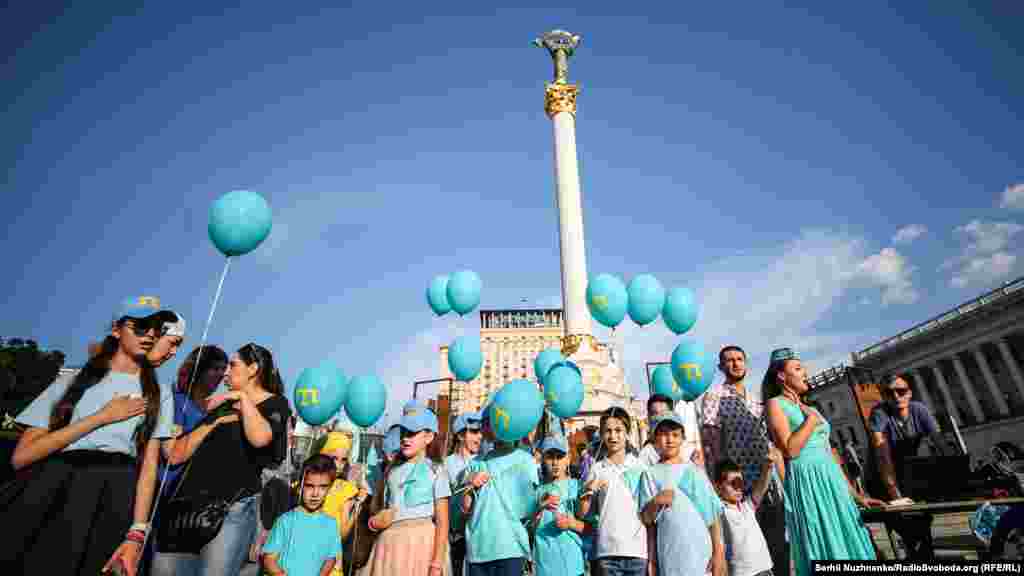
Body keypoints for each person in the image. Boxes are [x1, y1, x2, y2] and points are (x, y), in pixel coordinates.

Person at [3, 297, 178, 575]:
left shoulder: (160, 392)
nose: (149, 335)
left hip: (115, 496)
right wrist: (101, 417)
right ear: (116, 329)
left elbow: (148, 467)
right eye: (140, 326)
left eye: (157, 329)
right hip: (55, 489)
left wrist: (136, 533)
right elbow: (22, 456)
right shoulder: (70, 382)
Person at [151, 343, 290, 576]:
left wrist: (243, 399)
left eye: (233, 365)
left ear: (253, 369)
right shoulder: (221, 407)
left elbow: (260, 438)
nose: (225, 372)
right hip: (185, 511)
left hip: (229, 512)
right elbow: (176, 455)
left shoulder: (275, 404)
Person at [763, 348, 883, 576]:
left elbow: (830, 455)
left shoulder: (810, 408)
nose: (805, 373)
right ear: (781, 376)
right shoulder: (775, 404)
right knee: (823, 536)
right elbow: (790, 450)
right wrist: (810, 421)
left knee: (846, 532)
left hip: (831, 478)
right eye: (798, 369)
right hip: (807, 479)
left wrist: (856, 496)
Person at [701, 345, 787, 576]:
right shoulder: (714, 396)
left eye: (739, 359)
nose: (735, 363)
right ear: (721, 367)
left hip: (767, 482)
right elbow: (711, 444)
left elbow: (773, 443)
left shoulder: (757, 399)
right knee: (746, 554)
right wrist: (718, 485)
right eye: (729, 360)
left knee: (778, 545)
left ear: (746, 363)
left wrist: (782, 479)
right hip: (738, 488)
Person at [365, 400, 450, 576]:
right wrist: (374, 523)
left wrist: (437, 563)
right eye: (403, 432)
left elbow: (443, 522)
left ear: (429, 437)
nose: (405, 438)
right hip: (389, 547)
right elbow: (379, 510)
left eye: (412, 433)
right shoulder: (391, 471)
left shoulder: (437, 470)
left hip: (422, 546)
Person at [640, 412, 725, 576]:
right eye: (664, 434)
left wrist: (718, 553)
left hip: (701, 557)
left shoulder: (693, 471)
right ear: (654, 439)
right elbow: (647, 521)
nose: (670, 440)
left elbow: (712, 516)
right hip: (670, 556)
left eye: (675, 435)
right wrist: (656, 501)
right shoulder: (649, 474)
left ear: (682, 439)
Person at [869, 374, 941, 559]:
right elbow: (883, 456)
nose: (896, 396)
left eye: (901, 391)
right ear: (883, 396)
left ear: (909, 393)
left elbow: (939, 441)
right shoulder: (879, 413)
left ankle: (921, 556)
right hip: (882, 479)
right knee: (909, 526)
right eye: (889, 393)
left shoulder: (919, 409)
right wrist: (896, 496)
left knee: (923, 523)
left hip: (907, 475)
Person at [462, 405, 539, 576]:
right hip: (478, 549)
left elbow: (529, 509)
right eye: (484, 423)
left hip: (511, 549)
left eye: (489, 421)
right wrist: (470, 484)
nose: (486, 427)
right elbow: (466, 509)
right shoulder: (475, 463)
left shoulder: (526, 460)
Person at [578, 406, 648, 576]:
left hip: (637, 552)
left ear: (627, 433)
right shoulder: (597, 469)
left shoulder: (640, 467)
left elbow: (648, 511)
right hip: (606, 553)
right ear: (602, 434)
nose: (613, 436)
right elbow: (583, 513)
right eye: (608, 431)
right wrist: (588, 491)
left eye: (618, 430)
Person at [262, 454, 342, 576]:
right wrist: (279, 573)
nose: (315, 494)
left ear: (330, 488)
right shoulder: (285, 521)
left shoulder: (331, 525)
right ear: (300, 486)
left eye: (322, 487)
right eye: (310, 486)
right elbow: (269, 559)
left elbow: (330, 559)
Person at [715, 456, 781, 576]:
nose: (738, 488)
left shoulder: (747, 507)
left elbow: (761, 487)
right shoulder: (720, 512)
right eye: (733, 483)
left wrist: (768, 468)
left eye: (741, 483)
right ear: (719, 487)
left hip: (765, 569)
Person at [533, 432, 585, 576]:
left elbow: (590, 527)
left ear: (568, 458)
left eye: (560, 456)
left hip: (573, 565)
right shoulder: (537, 491)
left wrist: (570, 523)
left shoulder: (577, 487)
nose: (555, 462)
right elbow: (530, 528)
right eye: (550, 457)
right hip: (545, 567)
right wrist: (539, 509)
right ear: (543, 459)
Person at [316, 431, 368, 576]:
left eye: (343, 460)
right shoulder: (302, 484)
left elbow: (341, 534)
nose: (338, 465)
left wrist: (357, 507)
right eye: (334, 458)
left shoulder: (346, 489)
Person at [445, 411, 482, 576]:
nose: (480, 436)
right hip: (455, 538)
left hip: (478, 537)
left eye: (480, 431)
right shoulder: (446, 465)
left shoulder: (484, 462)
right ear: (460, 435)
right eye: (474, 431)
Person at [639, 393, 703, 468]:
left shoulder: (689, 451)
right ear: (648, 416)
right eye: (654, 414)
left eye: (663, 414)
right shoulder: (645, 455)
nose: (659, 418)